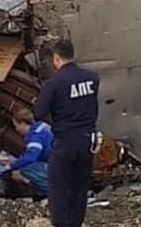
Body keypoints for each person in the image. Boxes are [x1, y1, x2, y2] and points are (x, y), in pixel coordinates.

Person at [33, 38, 99, 227]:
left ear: (56, 58)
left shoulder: (54, 83)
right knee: (79, 187)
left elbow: (39, 113)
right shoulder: (92, 77)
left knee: (58, 188)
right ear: (72, 54)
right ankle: (76, 223)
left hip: (65, 141)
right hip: (87, 139)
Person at [0, 107, 53, 196]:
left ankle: (48, 190)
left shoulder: (35, 136)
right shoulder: (41, 126)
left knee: (25, 169)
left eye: (16, 125)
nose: (16, 129)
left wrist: (9, 166)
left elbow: (30, 158)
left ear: (22, 123)